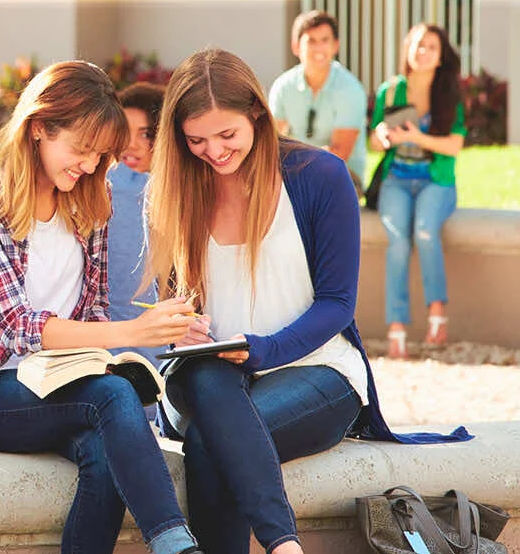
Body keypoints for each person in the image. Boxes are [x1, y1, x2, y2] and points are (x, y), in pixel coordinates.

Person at [144, 48, 471, 554]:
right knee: (209, 392)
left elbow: (338, 303)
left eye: (227, 135)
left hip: (317, 369)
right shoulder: (173, 188)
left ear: (257, 112)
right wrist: (180, 326)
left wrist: (263, 349)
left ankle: (282, 545)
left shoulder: (317, 176)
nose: (213, 151)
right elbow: (175, 302)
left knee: (211, 444)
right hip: (209, 377)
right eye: (196, 140)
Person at [0, 60, 205, 554]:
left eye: (100, 156)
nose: (88, 166)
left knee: (105, 454)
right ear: (39, 128)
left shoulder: (90, 201)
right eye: (80, 150)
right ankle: (176, 546)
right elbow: (19, 327)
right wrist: (133, 332)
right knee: (115, 396)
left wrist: (164, 330)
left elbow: (94, 312)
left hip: (67, 382)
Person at [370, 23, 465, 358]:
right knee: (397, 240)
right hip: (396, 179)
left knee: (425, 231)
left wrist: (415, 137)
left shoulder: (448, 93)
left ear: (441, 58)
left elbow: (454, 145)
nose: (424, 52)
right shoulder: (391, 91)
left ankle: (437, 313)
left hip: (435, 182)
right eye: (419, 45)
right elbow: (374, 138)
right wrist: (382, 135)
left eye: (432, 48)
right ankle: (396, 328)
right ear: (407, 48)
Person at [267, 10, 370, 193]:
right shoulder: (282, 87)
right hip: (295, 172)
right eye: (311, 41)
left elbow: (339, 154)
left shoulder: (350, 89)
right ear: (296, 46)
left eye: (325, 40)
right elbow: (273, 142)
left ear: (336, 45)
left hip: (343, 174)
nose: (319, 48)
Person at [105, 82, 164, 368]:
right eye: (124, 132)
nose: (131, 144)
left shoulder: (188, 187)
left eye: (146, 133)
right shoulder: (104, 183)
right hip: (107, 341)